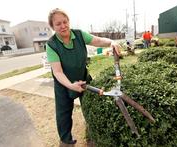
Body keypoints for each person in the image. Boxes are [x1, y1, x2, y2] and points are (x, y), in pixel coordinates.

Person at [46, 8, 121, 147]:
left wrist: (111, 42)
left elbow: (97, 41)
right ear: (52, 27)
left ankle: (93, 130)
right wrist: (70, 85)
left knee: (90, 104)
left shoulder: (79, 35)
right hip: (63, 83)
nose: (63, 26)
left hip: (83, 77)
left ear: (68, 21)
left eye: (65, 21)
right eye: (58, 24)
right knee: (63, 114)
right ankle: (66, 141)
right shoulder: (51, 45)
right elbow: (57, 72)